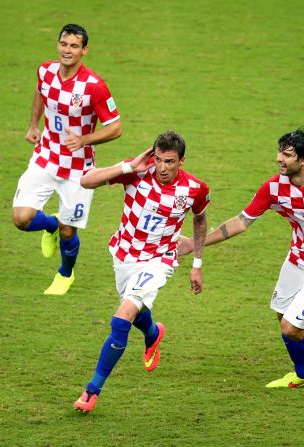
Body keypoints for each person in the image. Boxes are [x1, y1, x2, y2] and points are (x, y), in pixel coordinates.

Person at [179, 127, 304, 388]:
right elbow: (241, 222)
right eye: (279, 152)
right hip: (297, 259)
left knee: (291, 327)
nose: (279, 159)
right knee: (281, 315)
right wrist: (195, 243)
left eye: (287, 154)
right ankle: (303, 375)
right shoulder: (274, 188)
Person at [72, 130, 210, 414]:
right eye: (158, 160)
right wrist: (128, 167)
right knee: (134, 310)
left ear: (182, 161)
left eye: (170, 162)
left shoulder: (195, 189)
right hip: (124, 255)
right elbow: (86, 181)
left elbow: (199, 220)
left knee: (122, 317)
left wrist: (197, 263)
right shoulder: (137, 172)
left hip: (159, 261)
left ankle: (92, 390)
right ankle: (152, 333)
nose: (162, 168)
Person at [12, 23, 123, 296]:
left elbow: (116, 127)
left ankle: (65, 273)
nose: (67, 50)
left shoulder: (94, 86)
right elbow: (41, 93)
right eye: (64, 44)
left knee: (68, 232)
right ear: (58, 45)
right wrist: (33, 125)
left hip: (78, 170)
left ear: (84, 50)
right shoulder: (45, 71)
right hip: (46, 157)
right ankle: (49, 225)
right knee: (21, 218)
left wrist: (84, 140)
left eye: (74, 46)